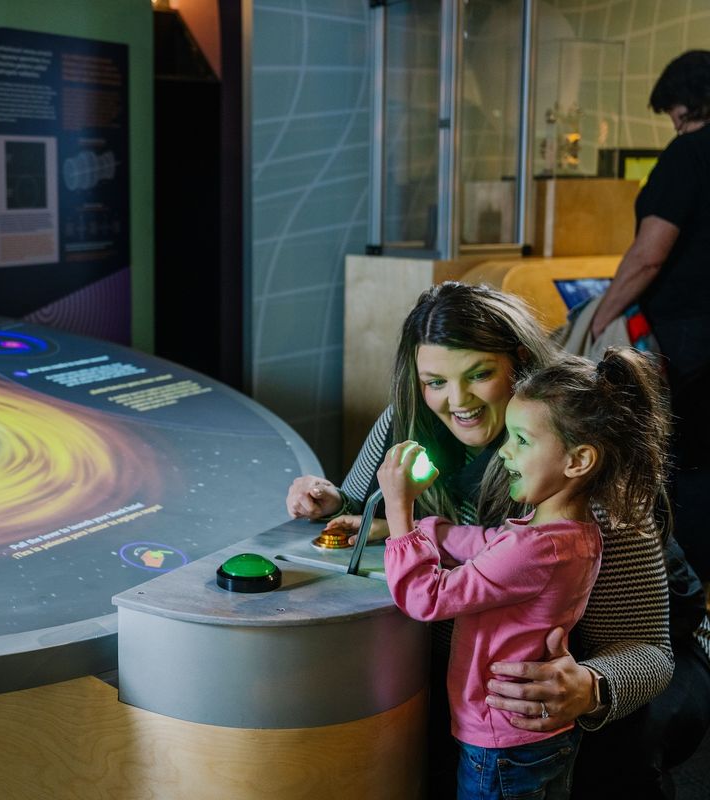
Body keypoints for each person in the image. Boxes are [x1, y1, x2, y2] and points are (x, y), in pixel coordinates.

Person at [286, 281, 710, 798]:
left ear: (521, 364)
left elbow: (649, 651)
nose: (457, 401)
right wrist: (332, 502)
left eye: (479, 374)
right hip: (474, 680)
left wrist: (590, 687)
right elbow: (364, 508)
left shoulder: (584, 467)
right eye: (435, 381)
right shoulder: (407, 420)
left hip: (616, 663)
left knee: (615, 769)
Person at [380, 348, 669, 799]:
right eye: (435, 381)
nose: (504, 452)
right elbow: (489, 542)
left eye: (521, 440)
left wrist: (399, 512)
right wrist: (426, 530)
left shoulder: (539, 546)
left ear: (578, 460)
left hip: (499, 737)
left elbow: (426, 598)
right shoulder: (569, 533)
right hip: (536, 736)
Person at [589, 50, 710, 584]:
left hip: (689, 340)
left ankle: (681, 592)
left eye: (674, 113)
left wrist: (601, 318)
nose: (673, 124)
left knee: (685, 461)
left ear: (688, 103)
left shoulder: (689, 154)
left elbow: (648, 256)